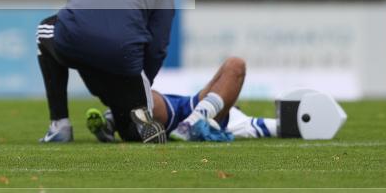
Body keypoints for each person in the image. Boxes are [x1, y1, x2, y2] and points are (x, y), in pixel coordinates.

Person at [36, 0, 177, 144]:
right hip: (123, 54)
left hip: (77, 45)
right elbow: (158, 46)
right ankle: (130, 115)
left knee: (44, 29)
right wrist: (140, 81)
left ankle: (60, 125)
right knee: (129, 121)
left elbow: (73, 16)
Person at [85, 56, 279, 143]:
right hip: (189, 108)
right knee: (236, 64)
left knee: (149, 102)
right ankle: (111, 121)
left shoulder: (242, 122)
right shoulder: (242, 121)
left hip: (180, 112)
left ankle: (111, 120)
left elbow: (276, 126)